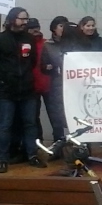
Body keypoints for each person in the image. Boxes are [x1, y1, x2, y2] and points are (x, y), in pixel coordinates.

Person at [0, 7, 47, 173]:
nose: (25, 22)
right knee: (5, 125)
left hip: (27, 90)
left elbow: (32, 61)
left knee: (30, 124)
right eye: (22, 19)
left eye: (26, 19)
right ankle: (3, 159)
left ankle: (32, 155)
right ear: (12, 19)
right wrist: (4, 80)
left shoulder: (29, 39)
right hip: (6, 92)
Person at [39, 16, 70, 159]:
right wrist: (48, 67)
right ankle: (57, 149)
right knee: (56, 119)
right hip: (56, 86)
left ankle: (77, 149)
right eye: (61, 26)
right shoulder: (48, 45)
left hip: (72, 85)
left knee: (72, 118)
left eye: (65, 26)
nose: (63, 29)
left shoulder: (73, 43)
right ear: (54, 29)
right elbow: (43, 67)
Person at [25, 19, 51, 144]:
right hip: (32, 86)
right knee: (33, 118)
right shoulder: (25, 45)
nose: (35, 30)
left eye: (37, 27)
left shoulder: (47, 44)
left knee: (54, 117)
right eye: (32, 28)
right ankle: (37, 142)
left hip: (47, 85)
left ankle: (59, 143)